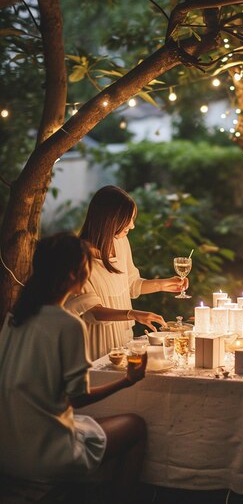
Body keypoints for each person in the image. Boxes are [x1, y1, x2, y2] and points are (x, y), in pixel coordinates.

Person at [0, 233, 147, 504]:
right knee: (136, 426)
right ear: (71, 275)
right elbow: (77, 397)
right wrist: (128, 380)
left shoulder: (15, 317)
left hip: (8, 448)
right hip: (44, 454)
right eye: (86, 266)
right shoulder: (67, 324)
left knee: (88, 424)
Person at [65, 186, 187, 360]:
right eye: (127, 219)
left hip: (124, 339)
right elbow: (93, 310)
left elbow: (131, 284)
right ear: (108, 220)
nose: (132, 225)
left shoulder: (120, 242)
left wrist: (164, 284)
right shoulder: (78, 256)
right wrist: (133, 314)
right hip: (95, 344)